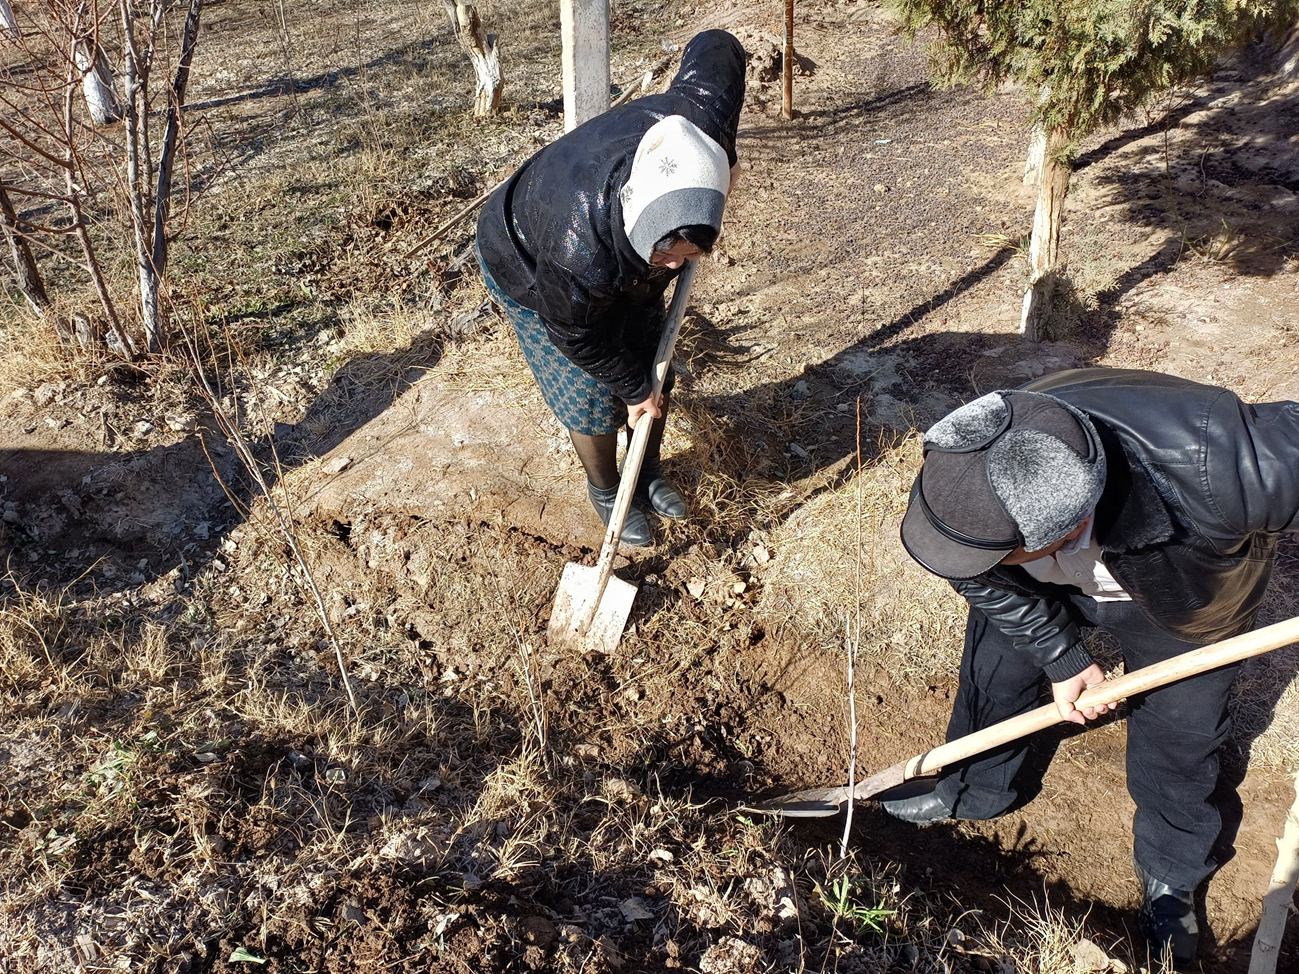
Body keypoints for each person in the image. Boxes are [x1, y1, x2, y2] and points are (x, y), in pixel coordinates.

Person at [888, 368, 1299, 968]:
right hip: (1039, 586)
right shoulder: (964, 467)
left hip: (1180, 597)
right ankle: (973, 790)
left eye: (993, 551)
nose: (967, 561)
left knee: (1180, 739)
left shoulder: (1217, 460)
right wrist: (1060, 655)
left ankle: (1172, 874)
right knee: (994, 680)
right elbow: (968, 568)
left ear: (1067, 524)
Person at [475, 29, 745, 546]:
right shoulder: (578, 254)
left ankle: (646, 471)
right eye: (663, 254)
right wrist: (631, 389)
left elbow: (718, 50)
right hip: (526, 260)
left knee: (655, 370)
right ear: (638, 222)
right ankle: (605, 487)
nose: (673, 266)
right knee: (592, 395)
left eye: (686, 255)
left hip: (610, 253)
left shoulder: (698, 123)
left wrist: (724, 164)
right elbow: (576, 335)